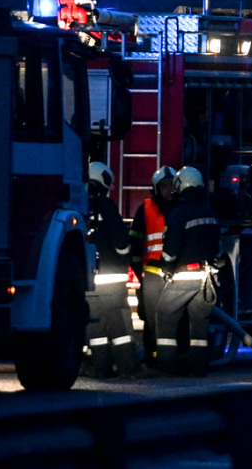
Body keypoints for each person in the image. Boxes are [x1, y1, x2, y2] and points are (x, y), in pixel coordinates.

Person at [156, 167, 220, 376]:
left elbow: (171, 249)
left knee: (165, 314)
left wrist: (165, 268)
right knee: (199, 325)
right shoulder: (209, 211)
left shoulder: (180, 212)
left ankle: (166, 365)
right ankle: (198, 366)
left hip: (183, 276)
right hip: (207, 277)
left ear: (181, 184)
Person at [85, 161, 140, 377]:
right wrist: (126, 254)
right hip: (112, 280)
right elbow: (121, 242)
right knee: (121, 328)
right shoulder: (106, 205)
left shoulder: (79, 206)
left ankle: (100, 368)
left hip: (89, 281)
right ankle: (128, 368)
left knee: (95, 329)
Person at [129, 165, 177, 365]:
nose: (168, 190)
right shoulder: (145, 208)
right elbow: (135, 242)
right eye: (164, 186)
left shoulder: (181, 208)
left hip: (175, 274)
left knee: (174, 317)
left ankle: (172, 357)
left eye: (171, 186)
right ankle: (152, 356)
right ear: (156, 188)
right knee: (150, 317)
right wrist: (139, 274)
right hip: (151, 275)